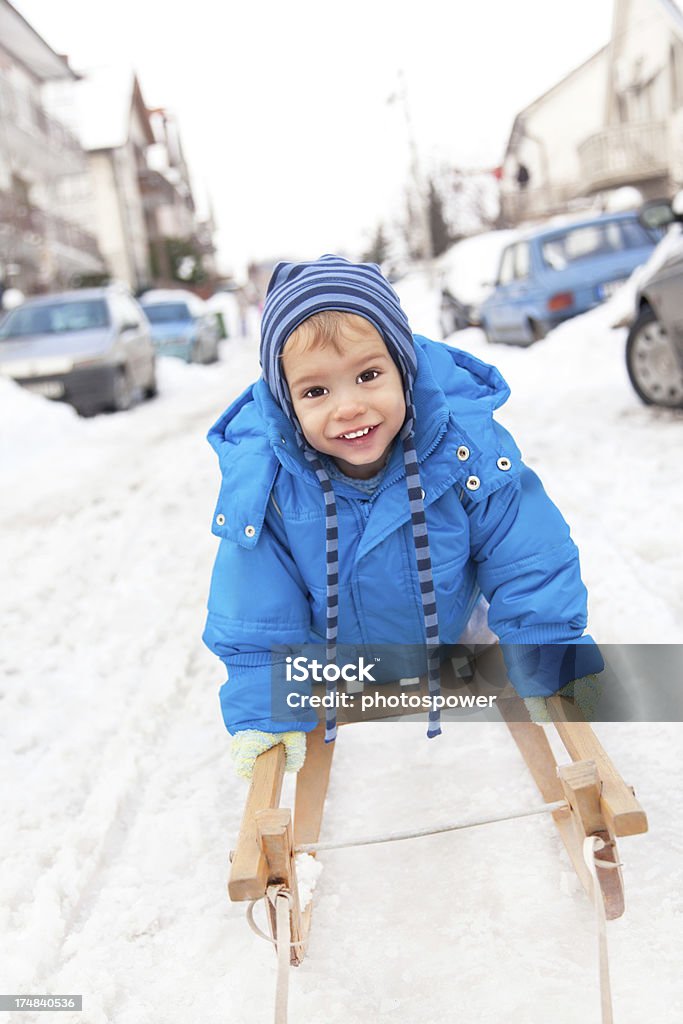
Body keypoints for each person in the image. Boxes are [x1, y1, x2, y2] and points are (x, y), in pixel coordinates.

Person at [203, 255, 603, 779]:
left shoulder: (462, 450)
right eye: (316, 391)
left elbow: (526, 551)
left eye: (368, 375)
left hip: (454, 632)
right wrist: (265, 710)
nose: (348, 407)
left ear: (403, 368)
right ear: (287, 402)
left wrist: (549, 647)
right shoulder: (271, 485)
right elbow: (254, 608)